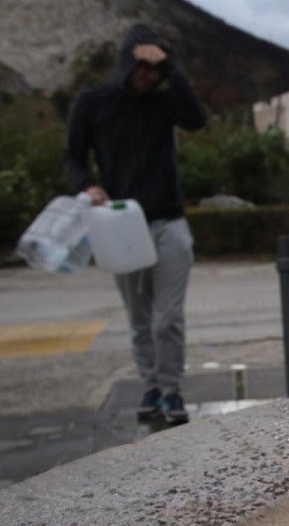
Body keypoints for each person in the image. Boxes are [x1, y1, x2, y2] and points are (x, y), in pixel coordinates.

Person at [63, 22, 206, 425]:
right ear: (126, 63)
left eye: (154, 71)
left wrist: (171, 68)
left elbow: (197, 119)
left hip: (168, 221)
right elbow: (72, 155)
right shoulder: (93, 103)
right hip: (120, 224)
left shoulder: (164, 103)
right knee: (139, 319)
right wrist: (86, 185)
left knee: (168, 318)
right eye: (141, 68)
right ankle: (152, 386)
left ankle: (172, 389)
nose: (148, 77)